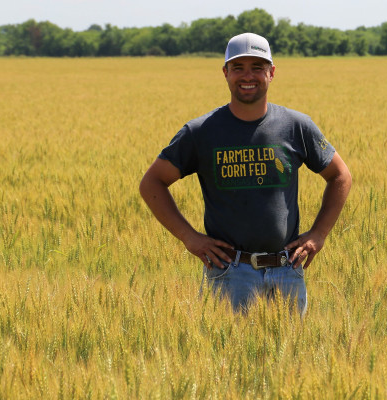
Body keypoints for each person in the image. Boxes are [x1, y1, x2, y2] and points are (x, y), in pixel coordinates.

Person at [139, 32, 351, 315]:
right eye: (238, 68)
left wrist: (319, 234)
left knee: (291, 358)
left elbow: (340, 176)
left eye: (257, 67)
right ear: (225, 73)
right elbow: (152, 182)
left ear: (272, 73)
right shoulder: (201, 132)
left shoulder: (296, 126)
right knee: (225, 357)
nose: (247, 76)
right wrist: (190, 237)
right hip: (229, 273)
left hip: (287, 271)